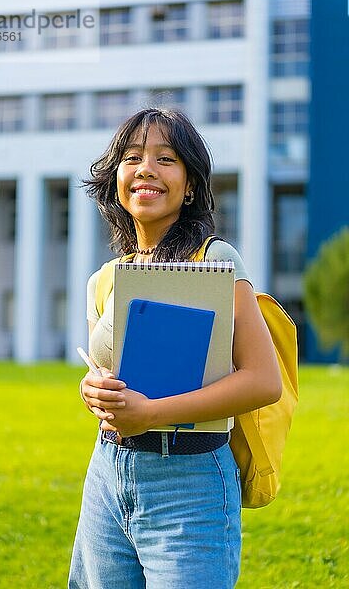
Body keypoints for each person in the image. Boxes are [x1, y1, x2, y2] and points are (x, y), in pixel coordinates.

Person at [68, 108, 282, 589]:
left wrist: (151, 413)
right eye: (132, 157)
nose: (145, 168)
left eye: (165, 158)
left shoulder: (214, 260)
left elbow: (262, 380)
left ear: (189, 186)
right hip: (108, 472)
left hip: (190, 480)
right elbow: (110, 373)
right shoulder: (103, 279)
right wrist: (93, 391)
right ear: (116, 181)